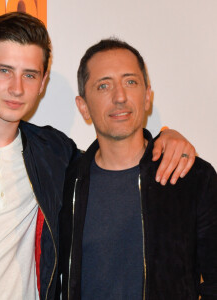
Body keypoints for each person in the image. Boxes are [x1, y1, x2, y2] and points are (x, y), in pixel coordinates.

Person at [0, 13, 195, 300]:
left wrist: (166, 136)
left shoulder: (52, 152)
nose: (17, 87)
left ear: (42, 82)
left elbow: (116, 155)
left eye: (29, 74)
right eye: (4, 71)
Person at [59, 38, 217, 300]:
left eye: (130, 82)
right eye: (103, 85)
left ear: (147, 96)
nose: (119, 97)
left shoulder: (192, 176)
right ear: (83, 106)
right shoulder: (66, 182)